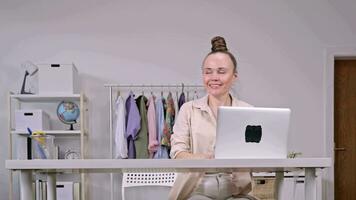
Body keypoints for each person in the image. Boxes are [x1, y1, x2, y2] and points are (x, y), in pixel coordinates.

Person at [169, 36, 257, 200]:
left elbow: (257, 153)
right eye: (208, 72)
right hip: (196, 190)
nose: (214, 77)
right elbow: (177, 153)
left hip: (237, 191)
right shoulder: (188, 110)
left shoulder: (248, 111)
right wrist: (206, 158)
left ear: (234, 76)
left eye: (221, 72)